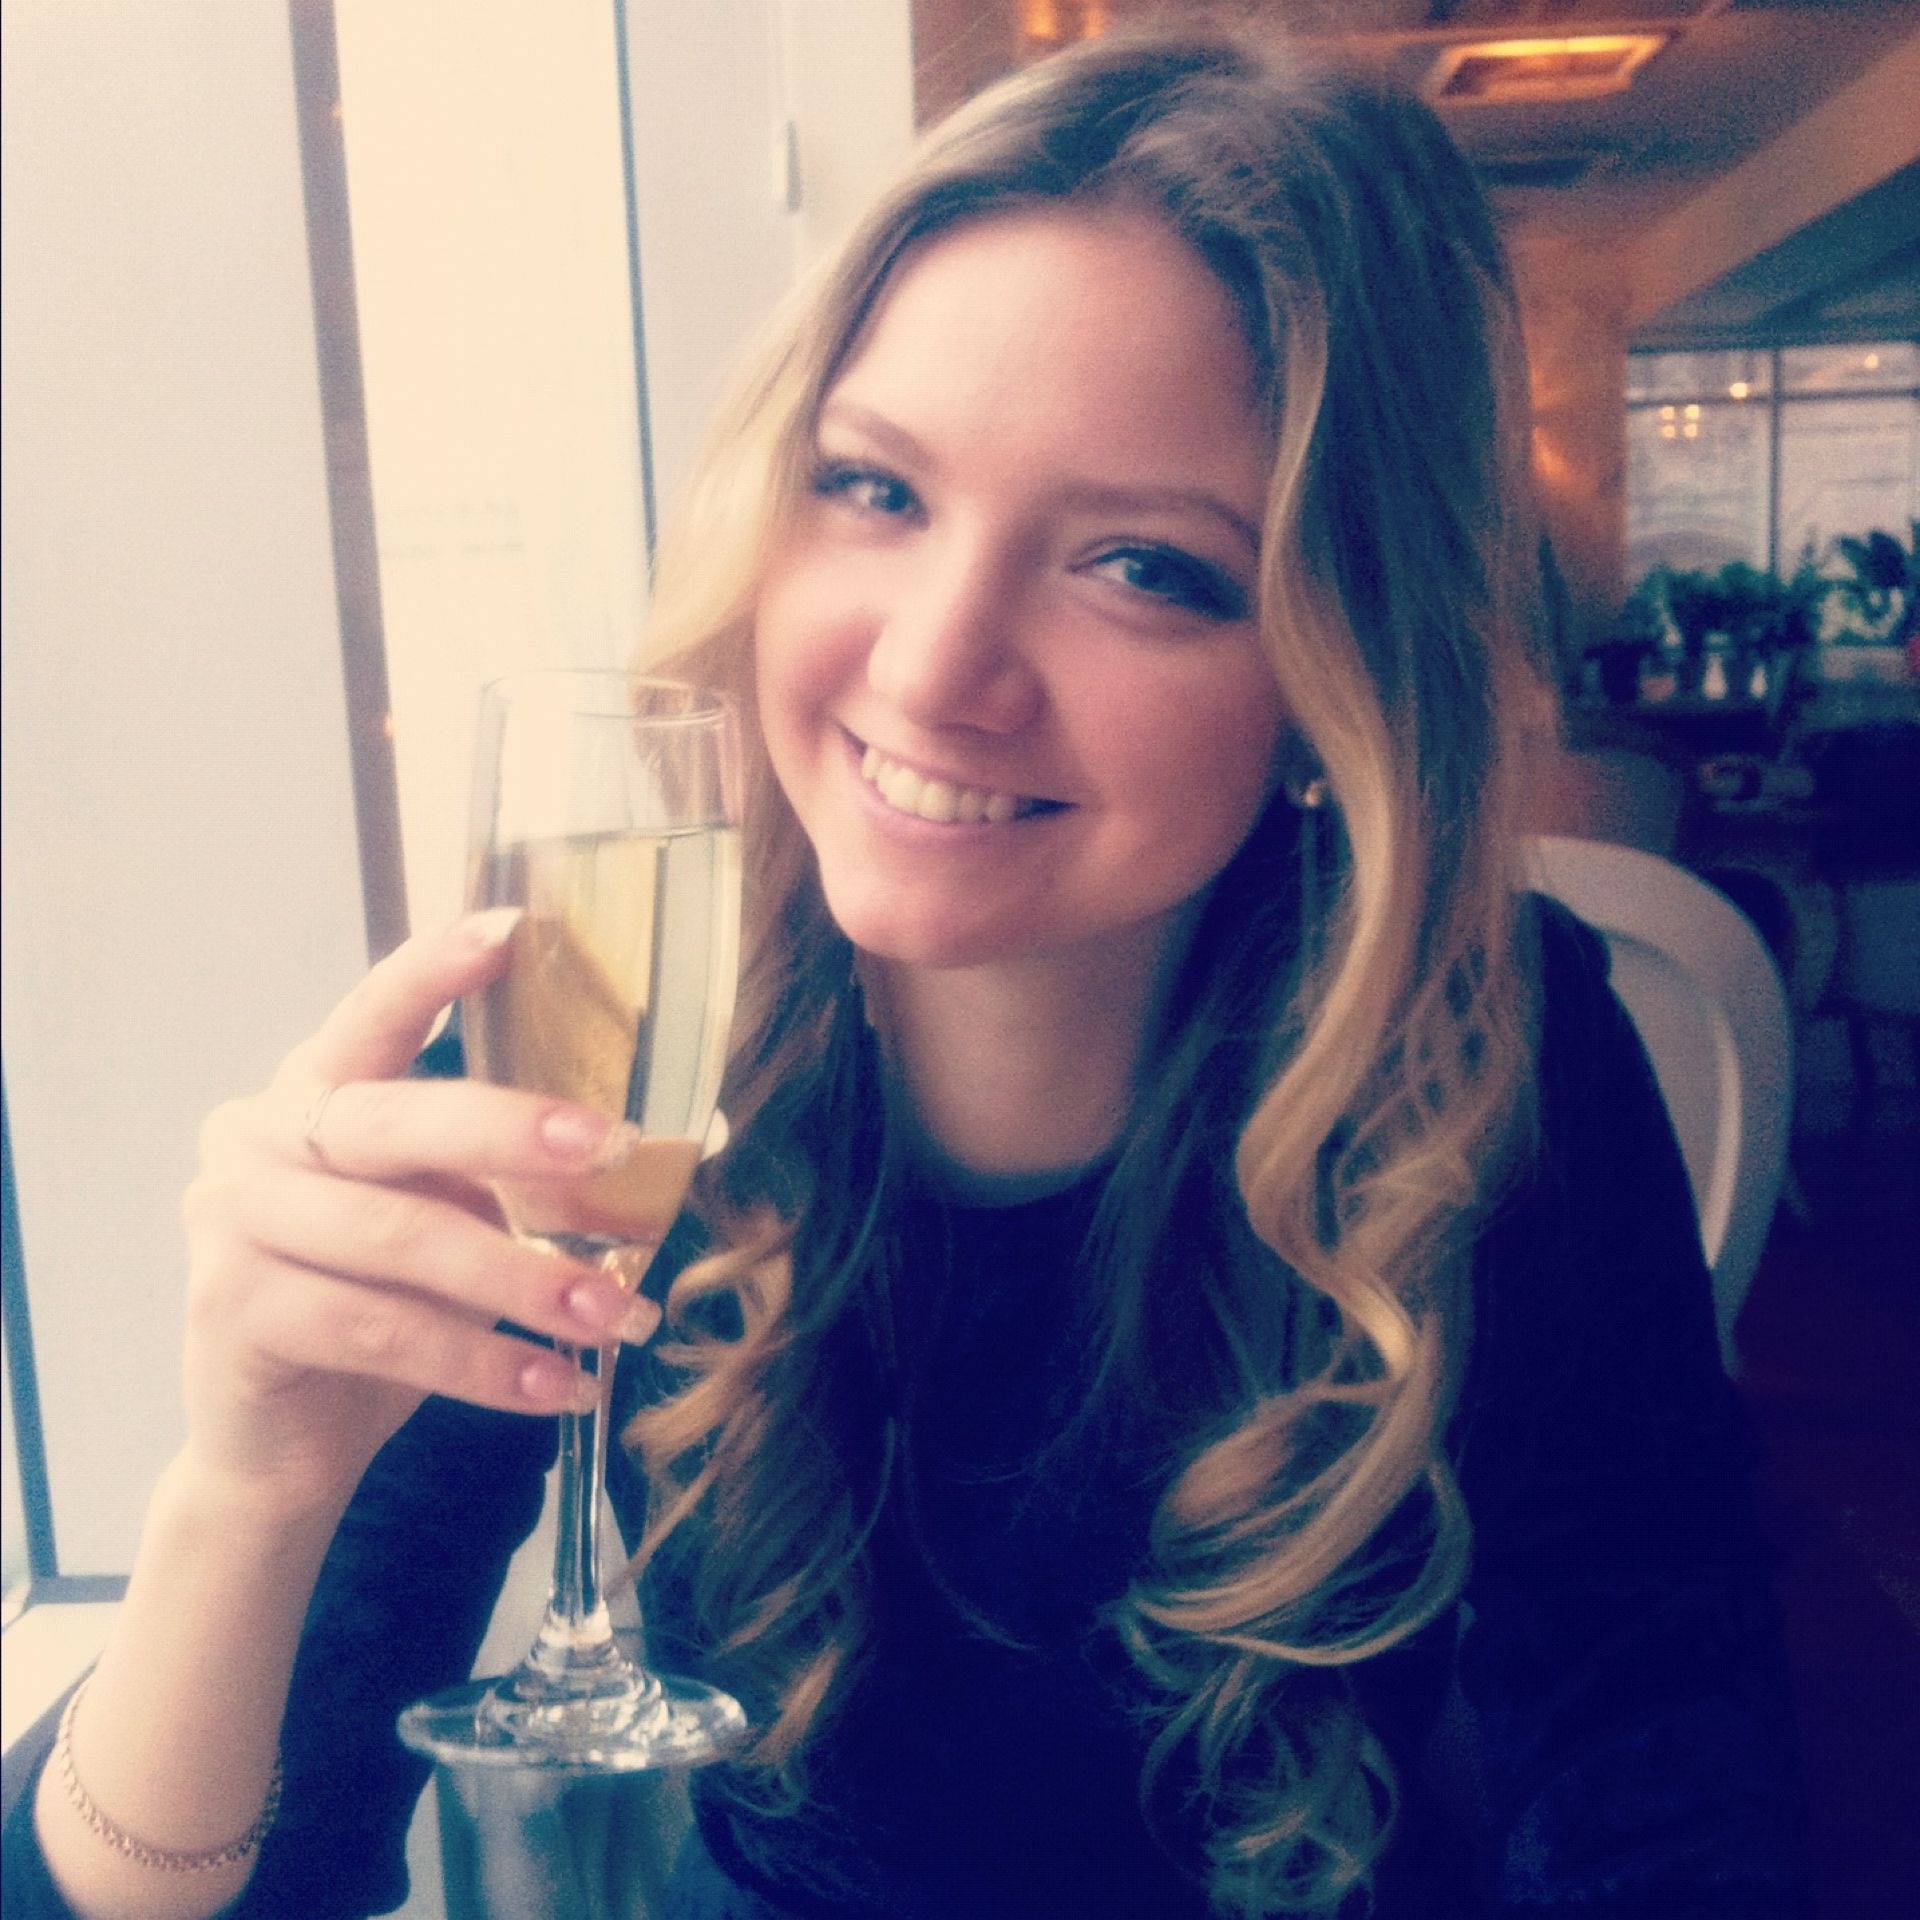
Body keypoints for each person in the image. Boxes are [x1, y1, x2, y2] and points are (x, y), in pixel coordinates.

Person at [6, 26, 1808, 1920]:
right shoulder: (603, 1029)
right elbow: (227, 1882)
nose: (937, 666)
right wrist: (246, 1495)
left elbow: (1662, 1782)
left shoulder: (1479, 1041)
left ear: (1330, 674)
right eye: (873, 488)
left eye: (1144, 566)